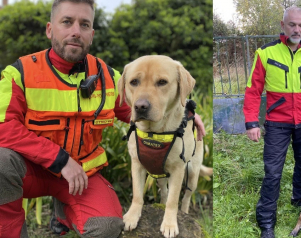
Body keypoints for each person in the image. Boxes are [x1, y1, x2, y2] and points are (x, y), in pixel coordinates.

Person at [0, 0, 206, 237]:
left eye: (84, 24)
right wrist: (60, 160)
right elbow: (3, 128)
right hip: (33, 172)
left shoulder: (108, 76)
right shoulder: (20, 73)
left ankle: (63, 212)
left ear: (92, 34)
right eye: (67, 22)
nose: (76, 31)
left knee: (107, 227)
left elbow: (140, 106)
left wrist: (188, 114)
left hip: (81, 178)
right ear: (49, 29)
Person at [243, 6, 301, 238]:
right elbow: (253, 90)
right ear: (283, 25)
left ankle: (299, 201)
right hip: (277, 122)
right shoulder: (265, 53)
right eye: (292, 24)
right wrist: (251, 122)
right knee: (272, 172)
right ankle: (267, 223)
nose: (297, 29)